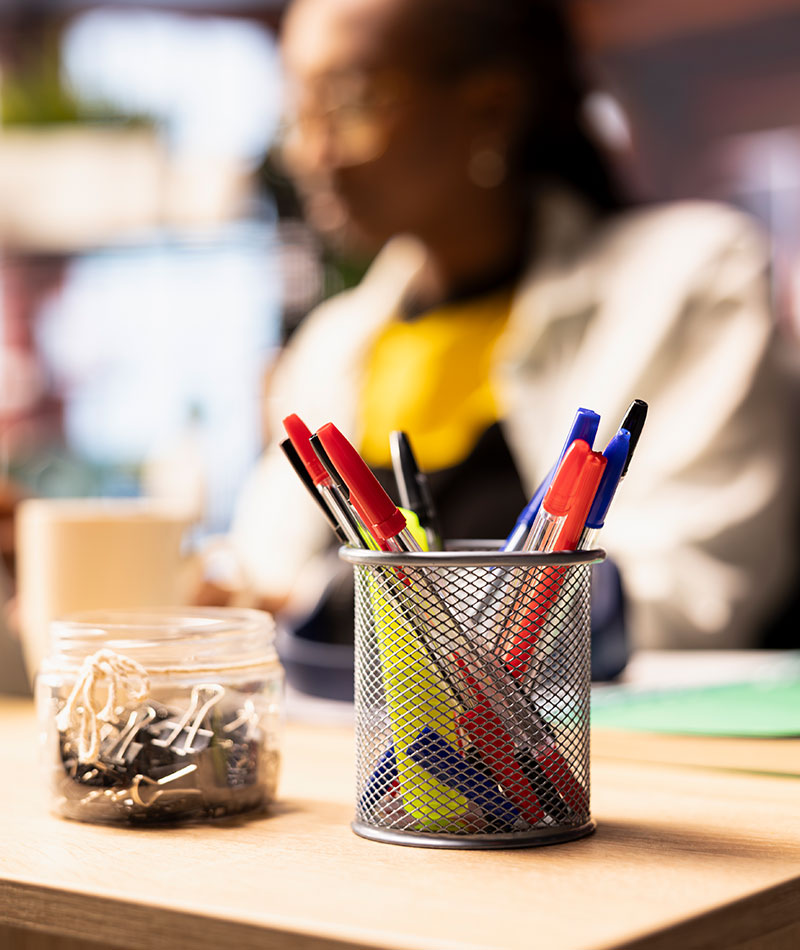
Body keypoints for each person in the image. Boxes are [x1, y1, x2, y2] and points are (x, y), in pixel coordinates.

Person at [229, 0, 799, 660]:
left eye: (350, 102)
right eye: (298, 111)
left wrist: (327, 610)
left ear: (490, 109)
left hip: (591, 754)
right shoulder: (335, 343)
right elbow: (259, 578)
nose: (312, 152)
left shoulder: (685, 278)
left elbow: (681, 599)